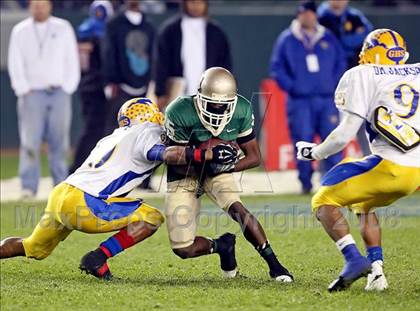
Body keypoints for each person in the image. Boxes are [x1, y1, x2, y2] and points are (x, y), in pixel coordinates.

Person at [0, 96, 261, 280]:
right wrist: (202, 156)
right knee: (152, 217)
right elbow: (164, 153)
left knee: (33, 247)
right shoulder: (147, 131)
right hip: (86, 202)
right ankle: (99, 257)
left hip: (62, 193)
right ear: (150, 115)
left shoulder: (112, 137)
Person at [296, 29, 419, 292]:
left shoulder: (363, 73)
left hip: (392, 168)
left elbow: (344, 135)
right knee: (363, 204)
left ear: (371, 53)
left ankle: (354, 260)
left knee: (322, 201)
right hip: (416, 170)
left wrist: (314, 152)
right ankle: (377, 273)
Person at [164, 67, 294, 282]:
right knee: (183, 249)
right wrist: (207, 156)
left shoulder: (241, 109)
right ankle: (222, 246)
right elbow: (173, 158)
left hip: (218, 171)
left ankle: (275, 266)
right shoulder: (180, 110)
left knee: (238, 209)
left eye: (223, 105)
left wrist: (227, 166)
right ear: (199, 97)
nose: (217, 109)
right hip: (185, 174)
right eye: (212, 103)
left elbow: (254, 157)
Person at [270, 0, 346, 194]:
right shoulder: (287, 39)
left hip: (326, 99)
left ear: (316, 15)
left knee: (333, 139)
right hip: (300, 101)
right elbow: (277, 69)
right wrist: (293, 87)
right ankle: (305, 184)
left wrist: (333, 85)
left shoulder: (327, 37)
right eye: (304, 13)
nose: (308, 17)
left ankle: (333, 183)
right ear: (298, 15)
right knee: (302, 140)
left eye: (311, 13)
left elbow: (340, 63)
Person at [8, 0, 80, 198]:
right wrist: (22, 88)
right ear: (30, 7)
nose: (39, 9)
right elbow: (15, 61)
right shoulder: (20, 30)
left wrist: (68, 87)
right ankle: (29, 186)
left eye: (42, 5)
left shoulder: (63, 27)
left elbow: (71, 59)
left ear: (49, 6)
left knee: (60, 142)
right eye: (35, 5)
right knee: (30, 141)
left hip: (58, 92)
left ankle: (60, 186)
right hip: (32, 93)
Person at [153, 0, 232, 111]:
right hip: (176, 95)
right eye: (192, 2)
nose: (196, 6)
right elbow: (161, 64)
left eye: (200, 2)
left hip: (209, 97)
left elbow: (224, 66)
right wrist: (160, 92)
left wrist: (224, 91)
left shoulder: (216, 32)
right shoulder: (170, 31)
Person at [318, 0, 373, 155]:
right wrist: (349, 40)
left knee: (363, 120)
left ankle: (370, 161)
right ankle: (329, 167)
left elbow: (369, 38)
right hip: (330, 81)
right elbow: (330, 46)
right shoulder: (321, 18)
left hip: (357, 79)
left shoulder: (355, 16)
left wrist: (343, 41)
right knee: (330, 125)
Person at [70, 0, 114, 174]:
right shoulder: (95, 32)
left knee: (98, 130)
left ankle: (87, 167)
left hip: (90, 86)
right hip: (96, 87)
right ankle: (77, 168)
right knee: (95, 129)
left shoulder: (84, 30)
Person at [103, 0, 155, 134]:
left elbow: (154, 56)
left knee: (143, 132)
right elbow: (109, 54)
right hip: (120, 88)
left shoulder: (149, 26)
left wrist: (152, 82)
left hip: (145, 88)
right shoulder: (114, 24)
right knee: (114, 132)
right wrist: (110, 81)